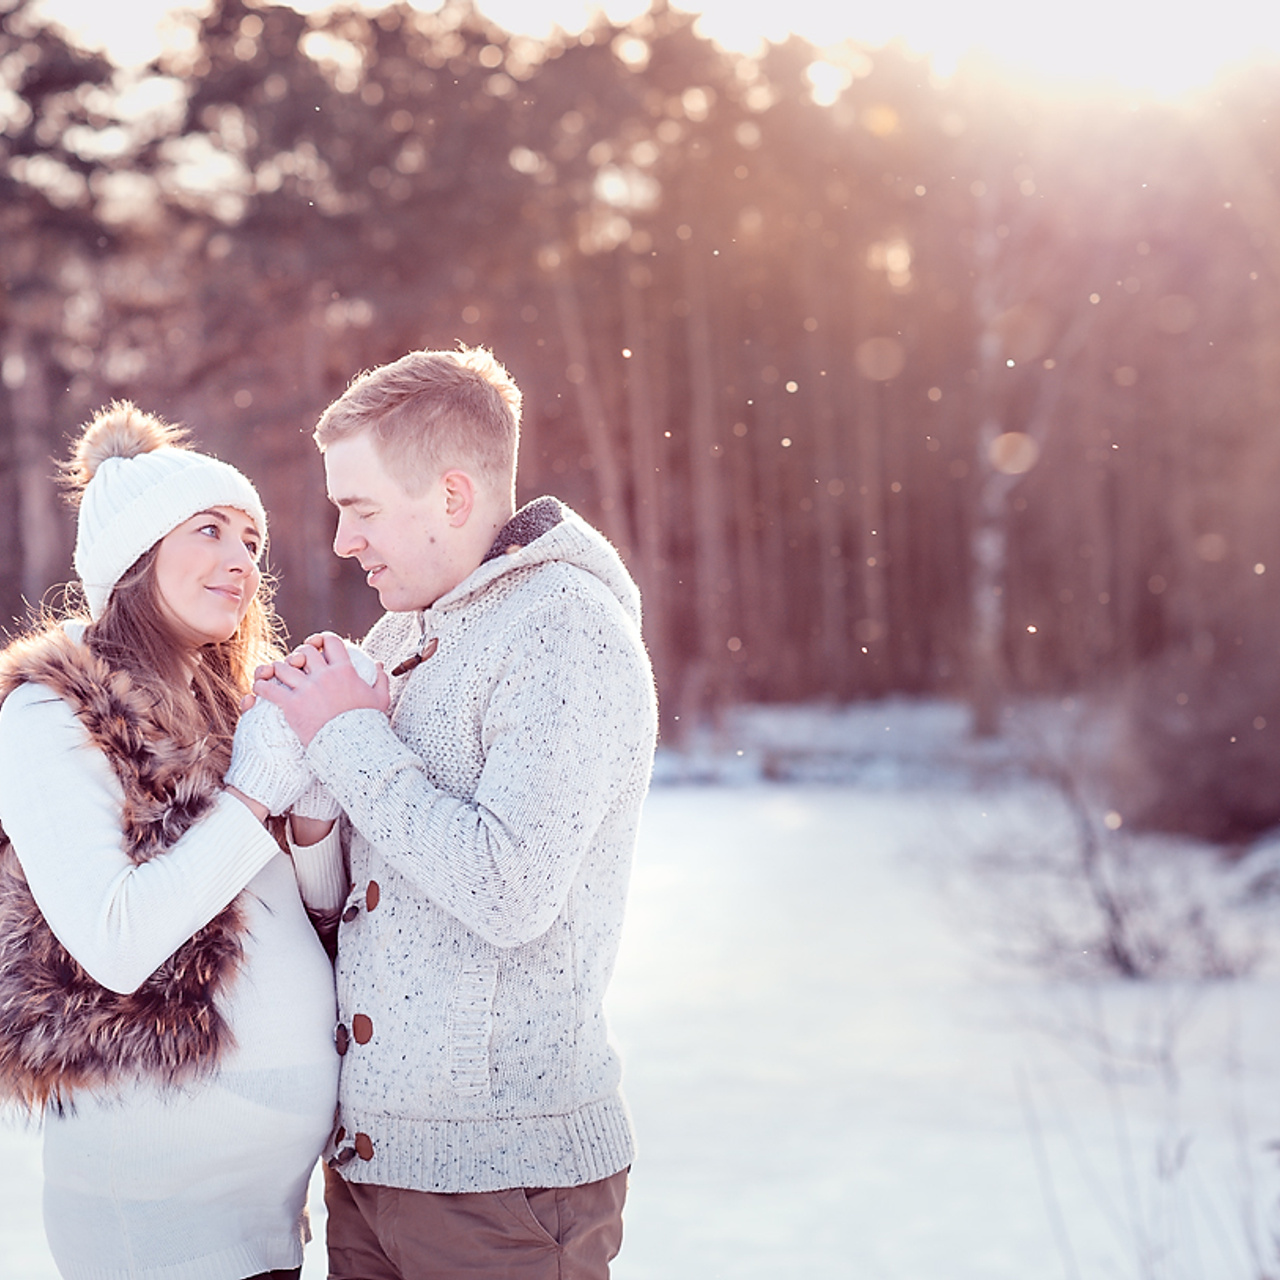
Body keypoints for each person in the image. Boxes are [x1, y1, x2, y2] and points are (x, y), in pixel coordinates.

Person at [238, 346, 658, 1280]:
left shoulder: (565, 630)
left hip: (505, 1190)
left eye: (361, 508)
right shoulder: (403, 632)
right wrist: (314, 802)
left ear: (454, 496)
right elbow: (360, 901)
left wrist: (345, 737)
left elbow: (509, 891)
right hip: (372, 1171)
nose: (342, 541)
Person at [0, 402, 346, 1280]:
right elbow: (117, 940)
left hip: (267, 1214)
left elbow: (314, 921)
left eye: (251, 541)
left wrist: (309, 815)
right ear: (136, 554)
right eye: (211, 530)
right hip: (155, 1219)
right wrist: (256, 793)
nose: (243, 560)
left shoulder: (231, 712)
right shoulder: (49, 716)